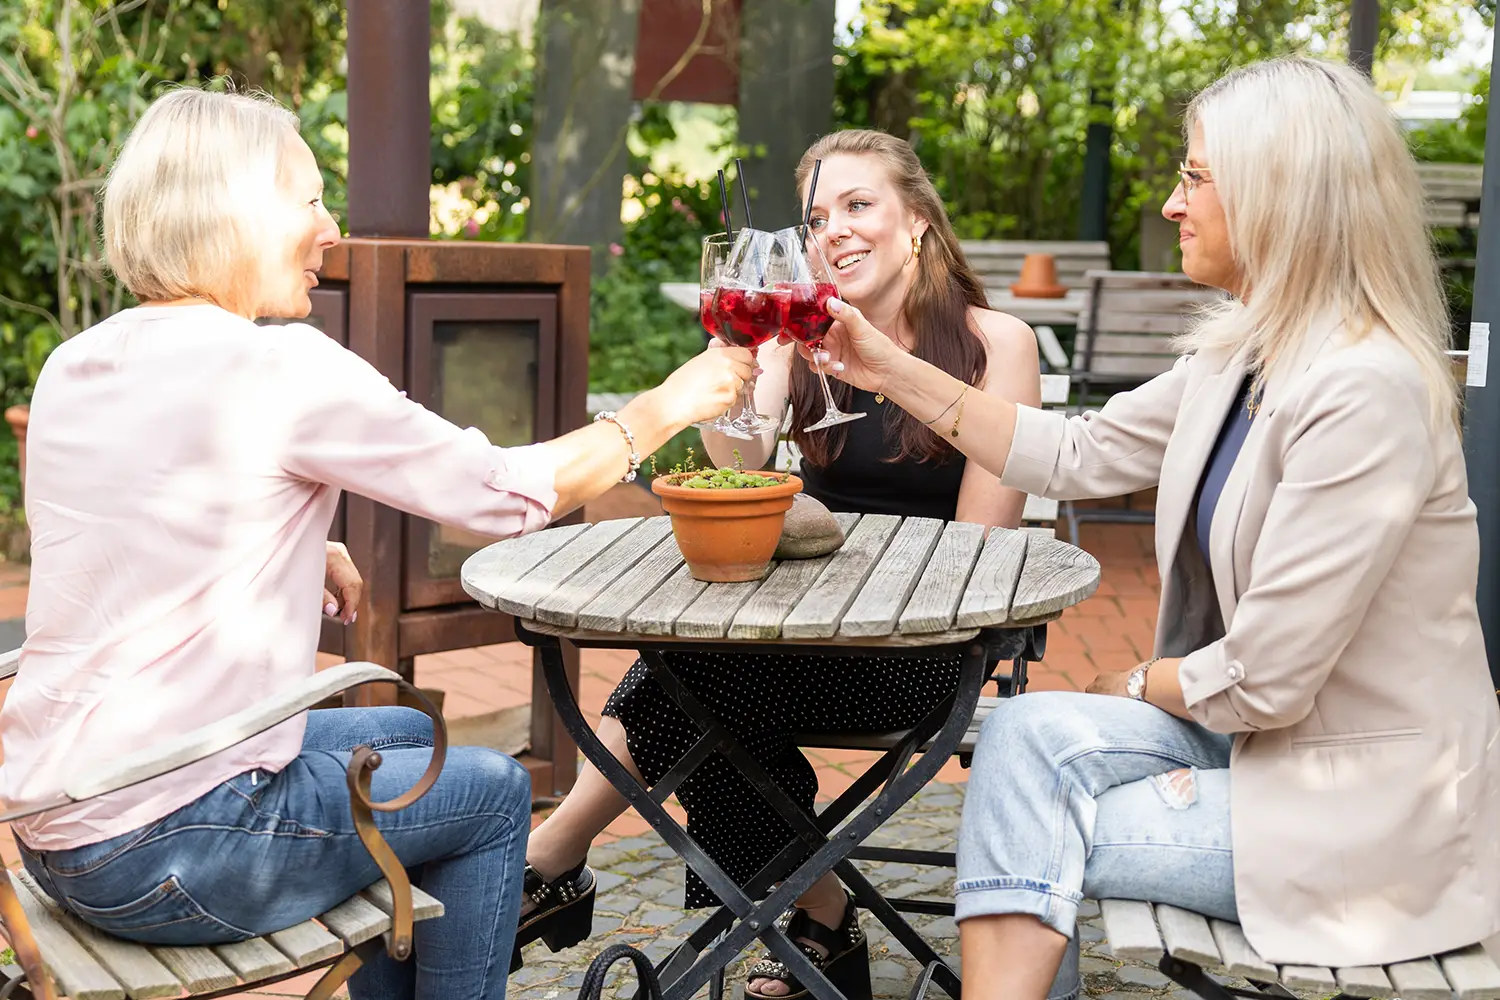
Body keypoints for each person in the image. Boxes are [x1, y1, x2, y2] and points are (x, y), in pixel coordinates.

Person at [0, 86, 752, 1000]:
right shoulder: (278, 367)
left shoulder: (77, 363)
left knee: (401, 731)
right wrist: (660, 410)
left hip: (58, 829)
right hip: (175, 853)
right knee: (490, 792)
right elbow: (504, 495)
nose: (331, 227)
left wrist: (295, 547)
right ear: (236, 210)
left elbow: (128, 524)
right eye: (308, 198)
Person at [801, 57, 1500, 1000]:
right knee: (1021, 741)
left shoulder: (1364, 388)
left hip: (1363, 814)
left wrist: (1135, 681)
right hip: (1256, 749)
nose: (1174, 204)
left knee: (1027, 813)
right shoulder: (1248, 353)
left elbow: (1269, 676)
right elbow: (1074, 452)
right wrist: (888, 368)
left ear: (1279, 195)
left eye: (1195, 177)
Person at [518, 129, 1040, 1000]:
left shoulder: (995, 345)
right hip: (796, 633)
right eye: (815, 218)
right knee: (691, 675)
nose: (831, 231)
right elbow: (737, 472)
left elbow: (980, 554)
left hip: (919, 650)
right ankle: (819, 918)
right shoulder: (805, 342)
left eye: (857, 206)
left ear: (916, 222)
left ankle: (560, 864)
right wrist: (752, 361)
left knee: (688, 684)